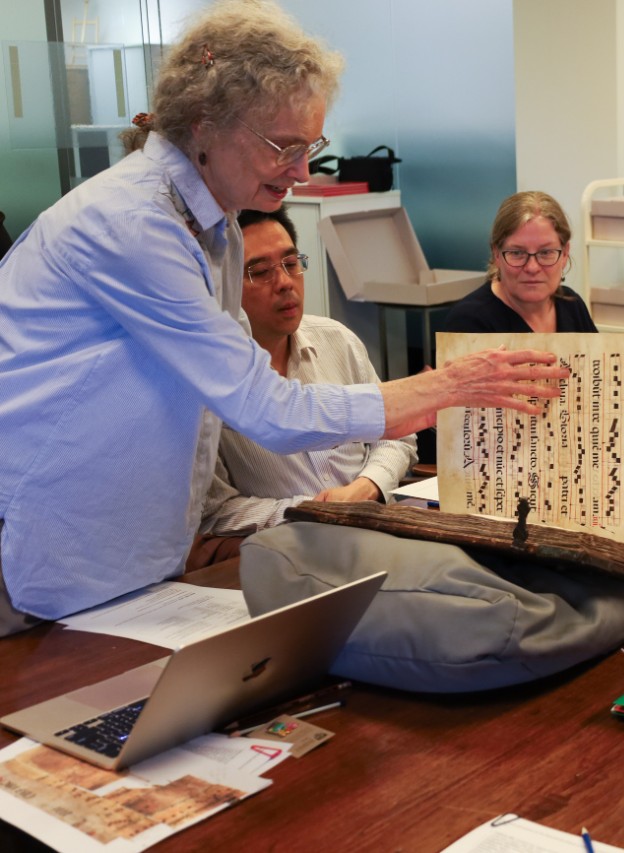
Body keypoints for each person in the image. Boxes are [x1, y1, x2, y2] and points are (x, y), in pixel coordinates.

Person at [0, 0, 565, 635]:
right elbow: (261, 405)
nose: (302, 172)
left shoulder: (215, 225)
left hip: (126, 549)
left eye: (311, 146)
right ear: (206, 124)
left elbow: (252, 391)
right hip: (47, 538)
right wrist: (439, 389)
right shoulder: (131, 223)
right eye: (283, 148)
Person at [198, 207, 416, 545]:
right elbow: (214, 511)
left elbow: (396, 436)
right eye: (260, 271)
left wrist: (367, 487)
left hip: (377, 522)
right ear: (221, 286)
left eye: (290, 264)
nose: (285, 283)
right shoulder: (208, 379)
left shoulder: (337, 339)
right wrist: (312, 509)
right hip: (291, 545)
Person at [442, 191, 596, 334]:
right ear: (496, 254)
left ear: (565, 254)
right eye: (517, 253)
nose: (532, 267)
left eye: (545, 253)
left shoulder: (571, 305)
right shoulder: (468, 321)